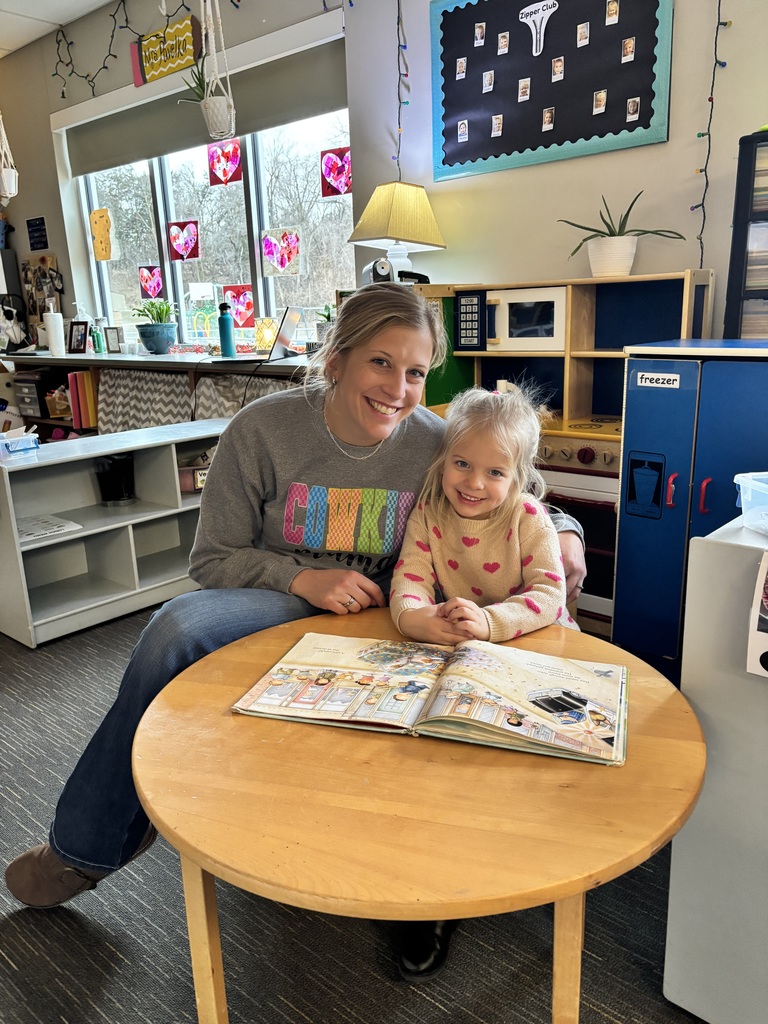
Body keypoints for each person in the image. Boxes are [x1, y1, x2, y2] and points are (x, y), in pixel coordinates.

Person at [4, 282, 586, 980]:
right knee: (173, 629)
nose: (398, 390)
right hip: (281, 600)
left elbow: (507, 485)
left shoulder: (433, 441)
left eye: (414, 372)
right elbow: (210, 560)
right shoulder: (262, 430)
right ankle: (85, 848)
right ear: (337, 359)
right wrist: (301, 579)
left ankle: (426, 886)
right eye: (380, 363)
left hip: (401, 611)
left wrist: (567, 531)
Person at [390, 385, 577, 646]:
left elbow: (550, 594)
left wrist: (489, 621)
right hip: (468, 642)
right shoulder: (427, 513)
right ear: (443, 462)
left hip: (541, 642)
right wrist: (411, 616)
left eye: (495, 472)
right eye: (462, 464)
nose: (474, 483)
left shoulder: (527, 516)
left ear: (516, 479)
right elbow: (411, 577)